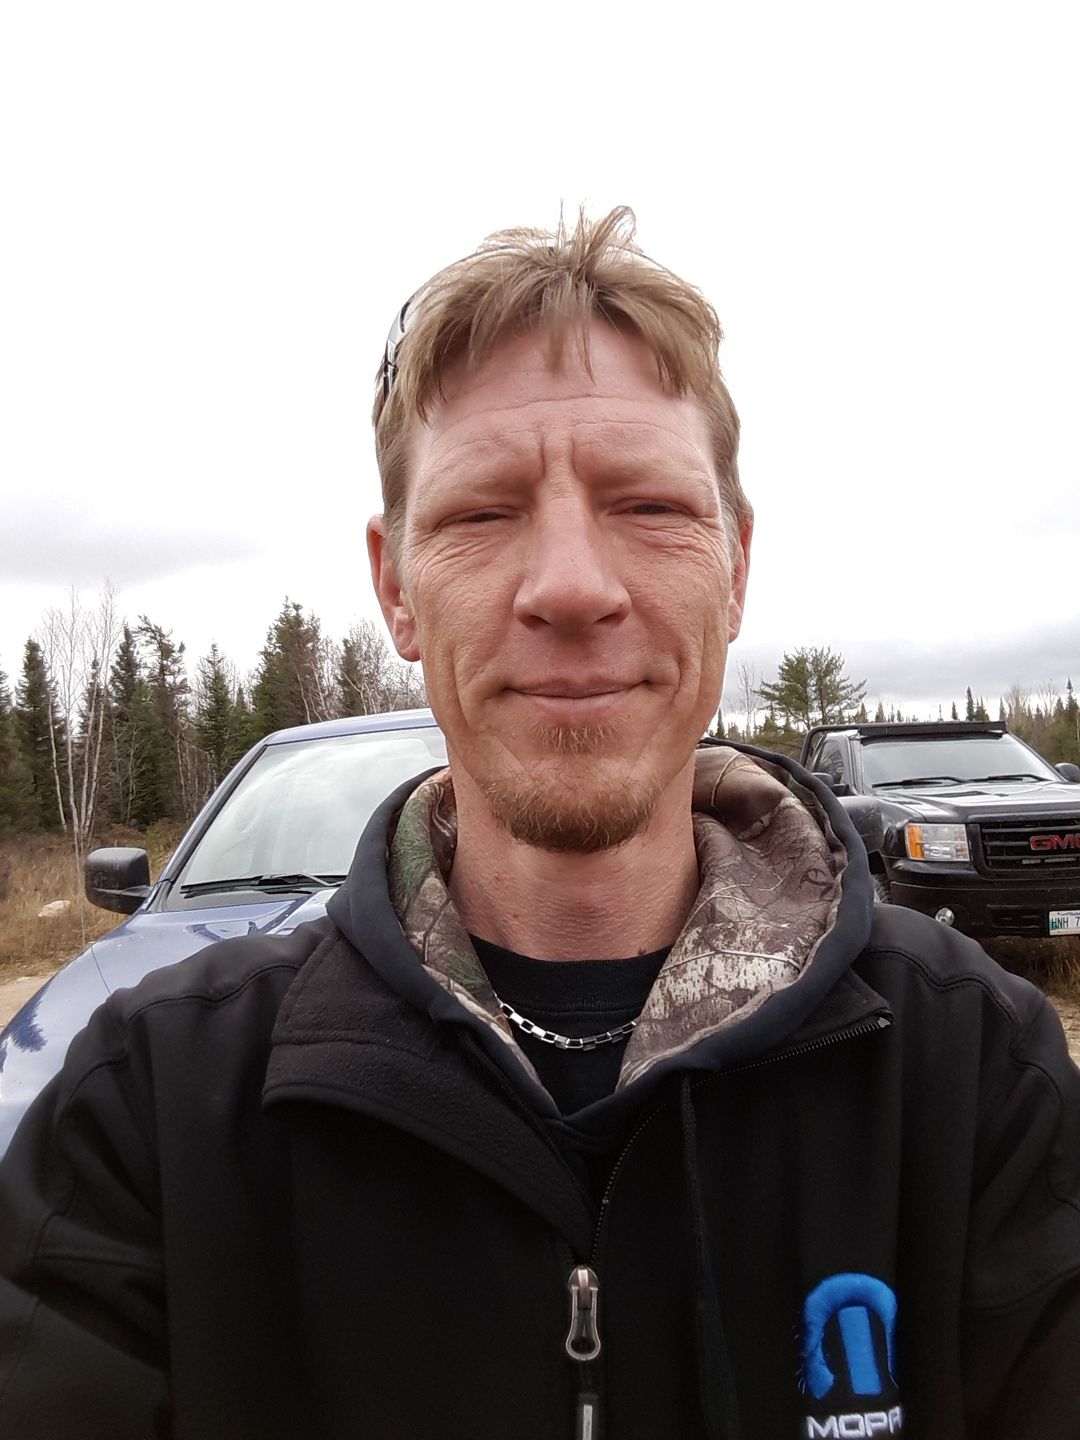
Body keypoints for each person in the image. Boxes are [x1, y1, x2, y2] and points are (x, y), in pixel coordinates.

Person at [1, 208, 1078, 1440]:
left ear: (735, 568)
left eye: (648, 504)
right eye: (482, 513)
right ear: (396, 586)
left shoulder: (974, 1074)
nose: (571, 586)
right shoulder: (150, 1108)